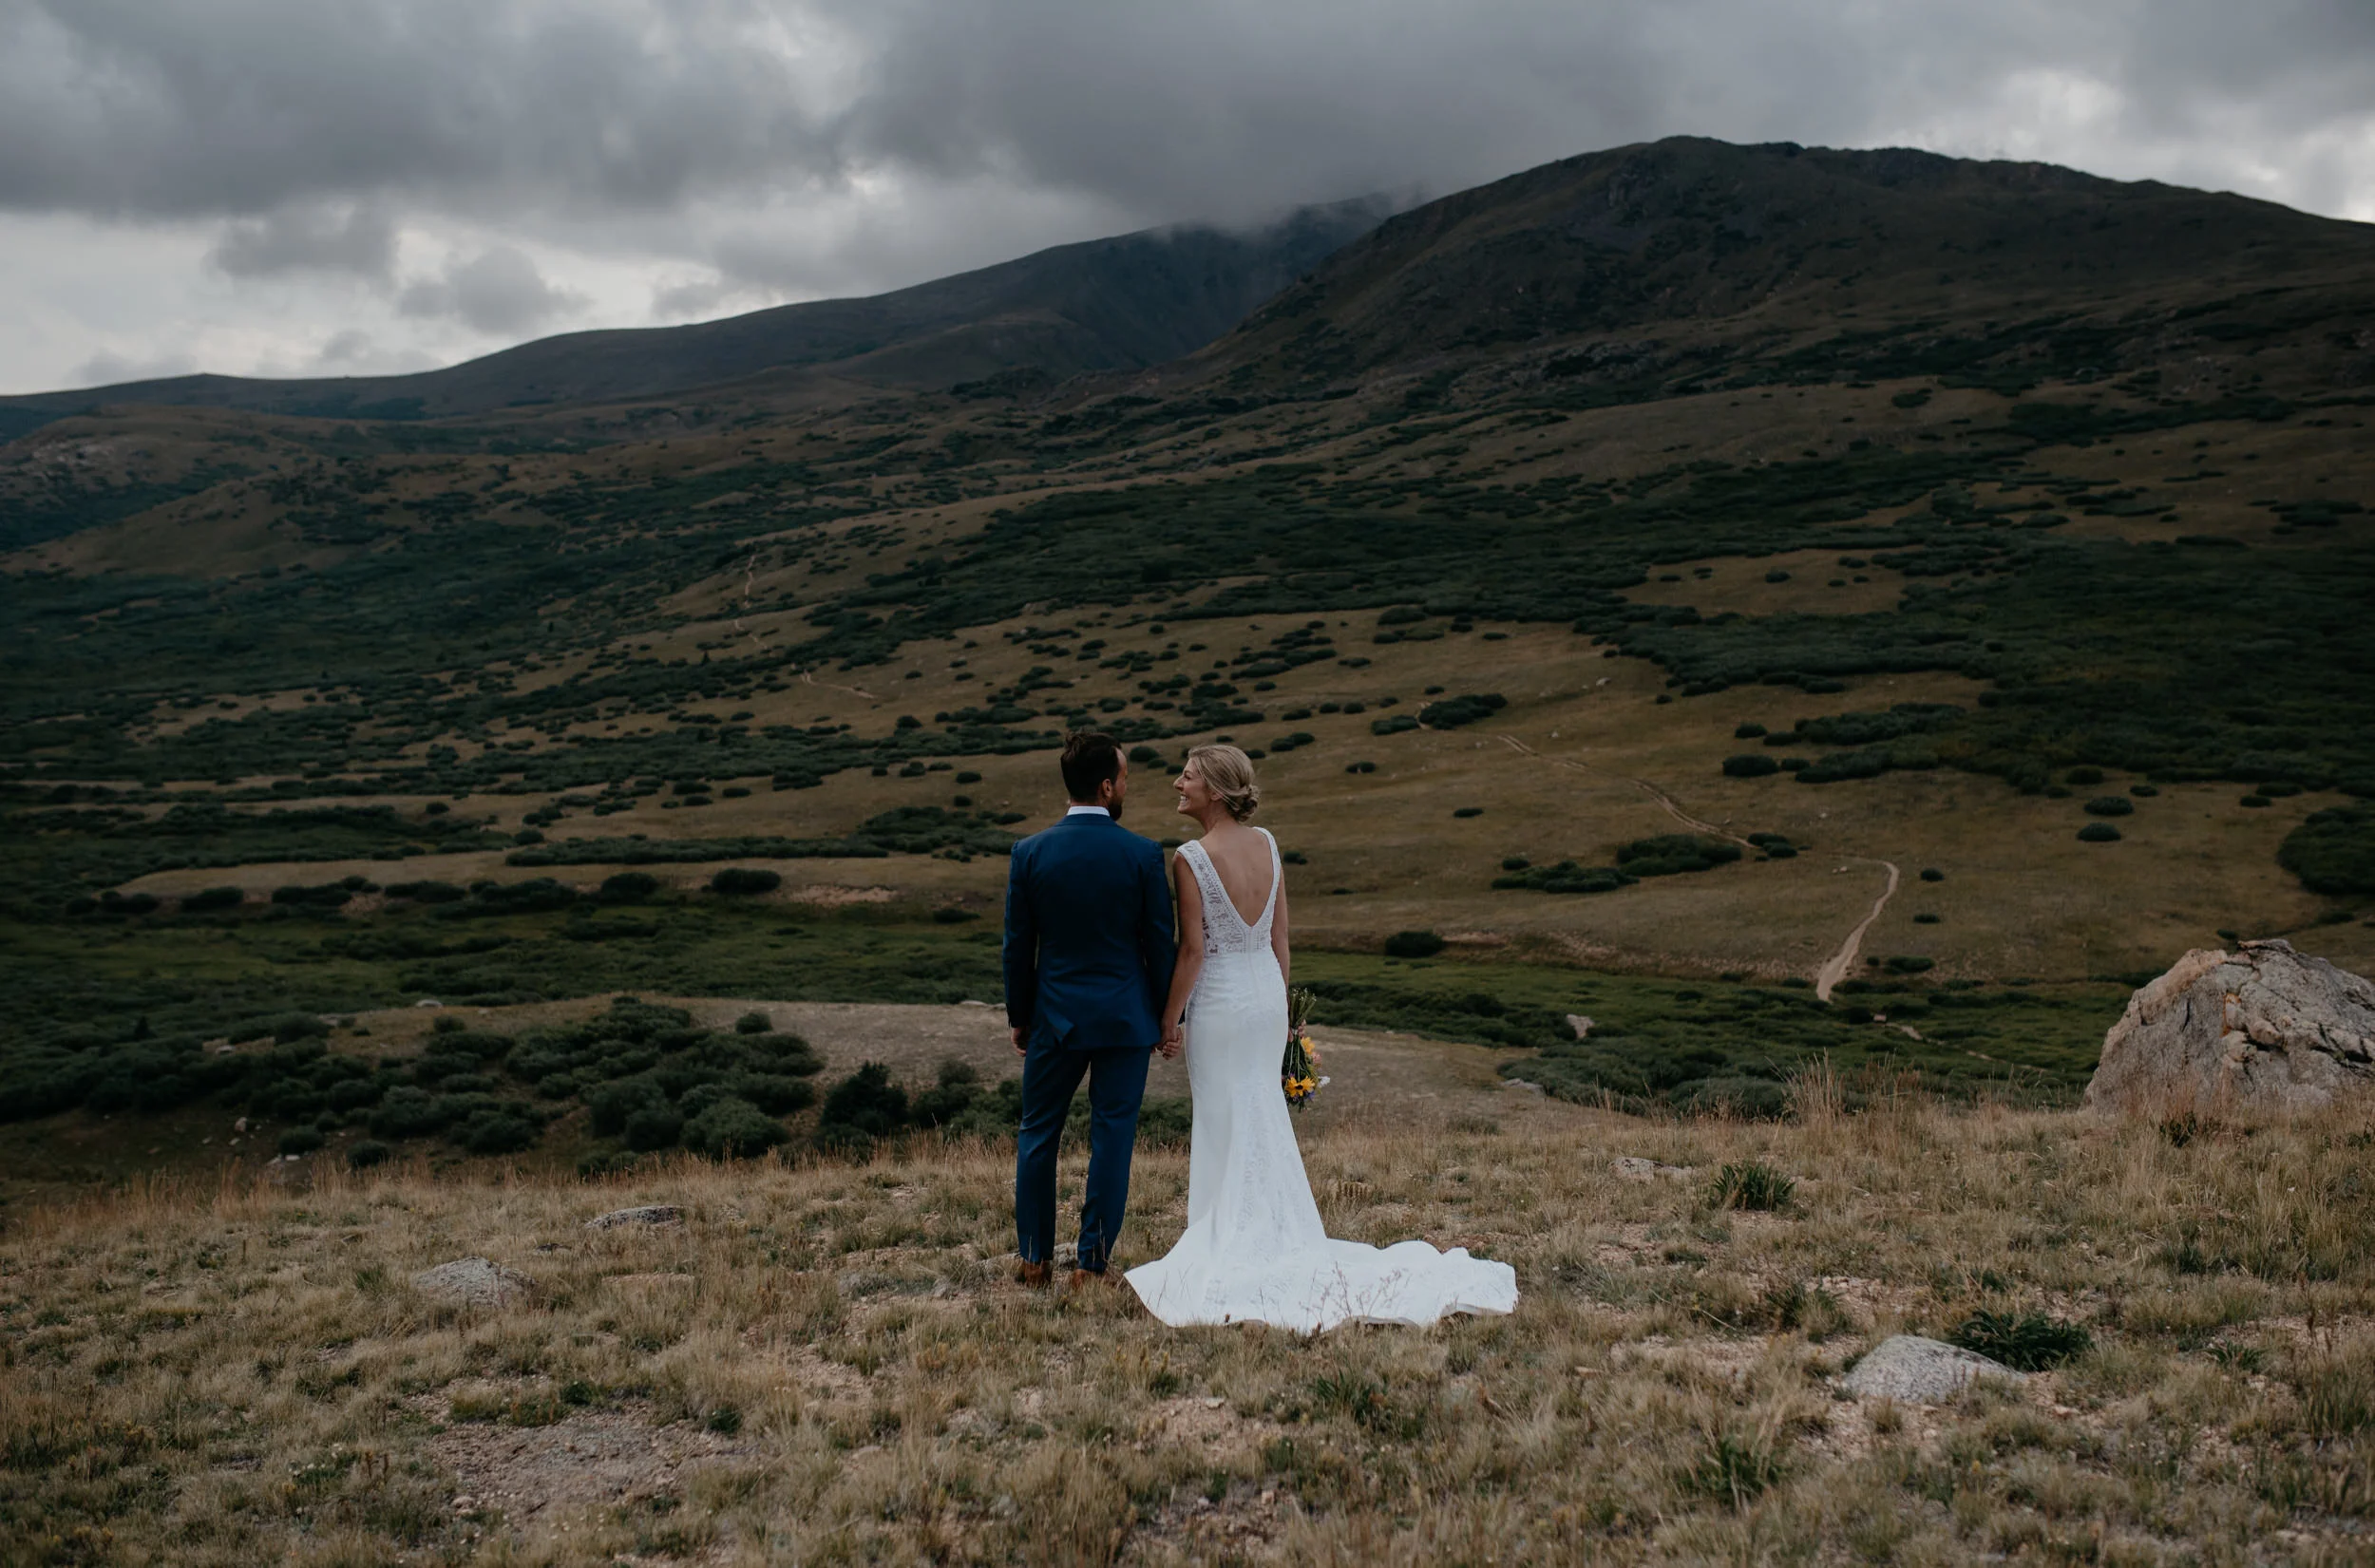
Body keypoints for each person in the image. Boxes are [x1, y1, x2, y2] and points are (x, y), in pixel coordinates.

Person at [1125, 744, 1519, 1332]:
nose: (1177, 784)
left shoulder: (1190, 858)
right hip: (1261, 997)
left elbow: (1194, 950)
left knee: (1226, 1114)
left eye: (1188, 776)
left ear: (1215, 788)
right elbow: (1280, 939)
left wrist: (1169, 1018)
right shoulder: (1269, 846)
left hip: (1223, 1004)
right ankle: (1274, 1228)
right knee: (1258, 1110)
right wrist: (1284, 1012)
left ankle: (1229, 1235)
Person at [1003, 731, 1178, 1291]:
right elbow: (1160, 944)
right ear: (1106, 786)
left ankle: (1034, 1259)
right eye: (1124, 778)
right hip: (1126, 1020)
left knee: (1037, 1134)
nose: (1127, 786)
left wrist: (1019, 1015)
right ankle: (1090, 1265)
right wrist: (1162, 1016)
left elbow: (1017, 945)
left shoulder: (1029, 853)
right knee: (1112, 1140)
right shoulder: (1144, 854)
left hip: (1054, 1018)